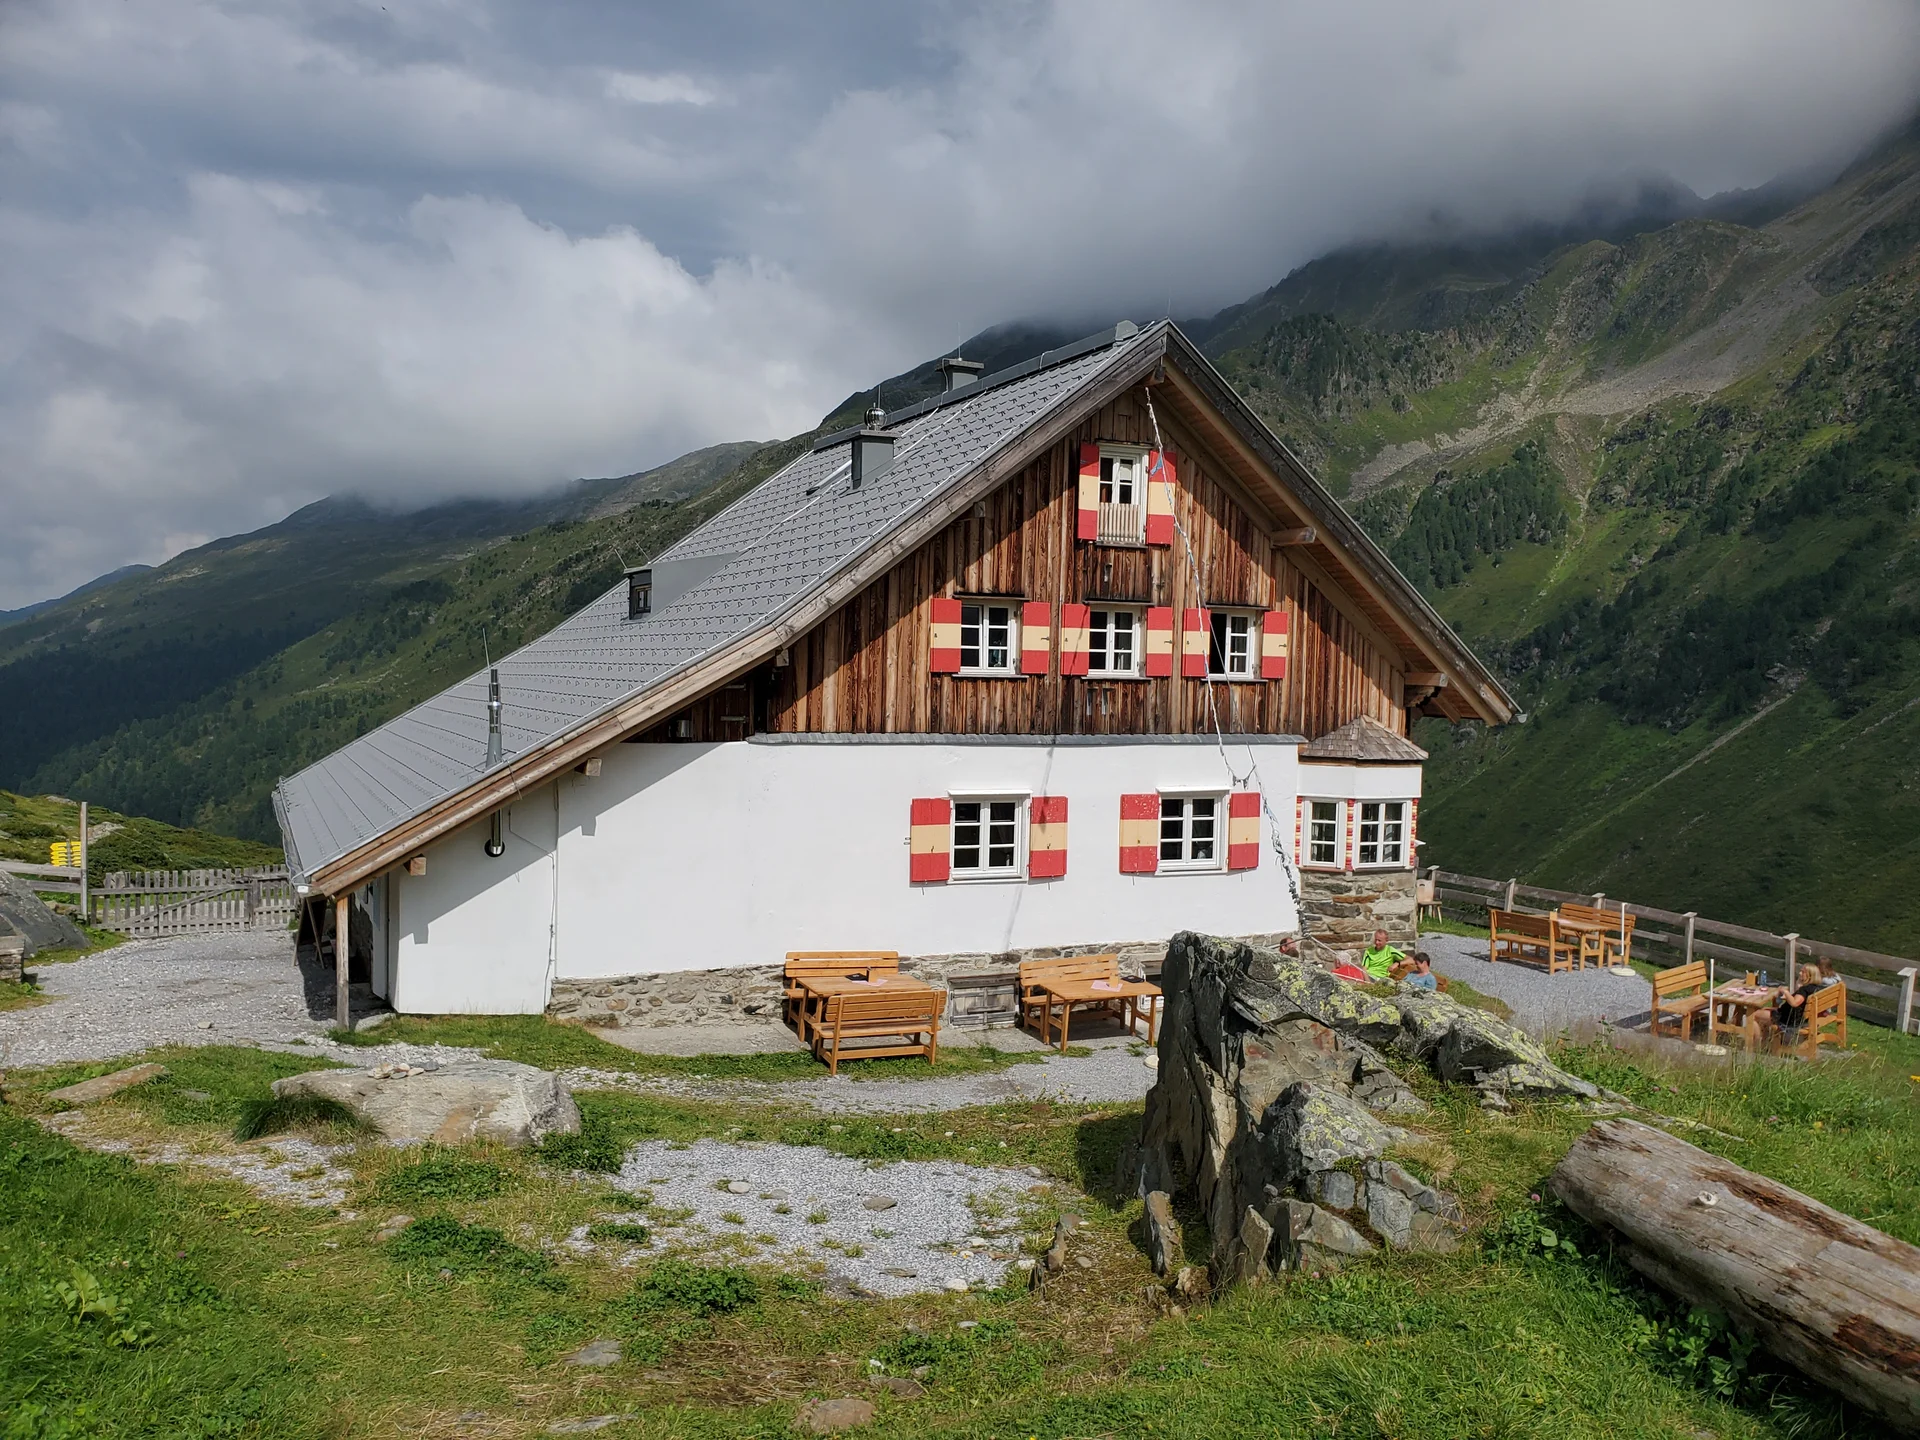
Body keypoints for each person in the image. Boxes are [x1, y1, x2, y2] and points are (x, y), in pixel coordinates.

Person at [1756, 964, 1823, 1050]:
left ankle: (1755, 1045)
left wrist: (1785, 992)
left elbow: (1794, 1003)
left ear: (1810, 975)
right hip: (1799, 1018)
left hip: (1787, 1020)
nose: (1800, 973)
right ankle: (1766, 1044)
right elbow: (1799, 1001)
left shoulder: (1804, 990)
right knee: (1764, 1011)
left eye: (1803, 972)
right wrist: (1796, 987)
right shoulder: (1815, 989)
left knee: (1753, 1015)